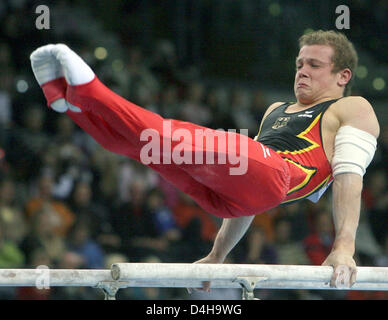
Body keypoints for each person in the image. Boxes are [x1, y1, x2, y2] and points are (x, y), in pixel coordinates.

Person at [29, 30, 379, 290]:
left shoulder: (352, 108)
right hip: (234, 198)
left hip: (278, 176)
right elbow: (246, 193)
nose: (302, 71)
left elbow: (350, 176)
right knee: (147, 147)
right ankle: (74, 106)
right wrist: (217, 256)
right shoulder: (276, 110)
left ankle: (91, 90)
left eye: (314, 65)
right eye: (299, 63)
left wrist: (344, 247)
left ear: (342, 76)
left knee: (170, 134)